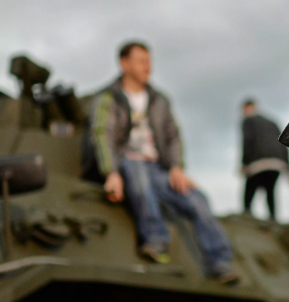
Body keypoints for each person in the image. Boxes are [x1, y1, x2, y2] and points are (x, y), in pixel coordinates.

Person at [91, 41, 238, 283]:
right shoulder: (109, 98)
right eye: (141, 61)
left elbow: (172, 135)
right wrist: (111, 172)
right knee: (139, 180)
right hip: (126, 162)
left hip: (157, 168)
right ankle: (156, 240)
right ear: (124, 64)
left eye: (149, 61)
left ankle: (220, 261)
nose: (147, 66)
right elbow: (102, 134)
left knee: (196, 199)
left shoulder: (159, 99)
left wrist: (176, 167)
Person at [240, 99, 289, 221]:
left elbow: (247, 141)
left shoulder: (248, 121)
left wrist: (244, 163)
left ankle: (246, 215)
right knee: (270, 191)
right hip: (277, 163)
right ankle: (273, 218)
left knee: (249, 189)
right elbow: (284, 144)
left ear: (247, 108)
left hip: (257, 163)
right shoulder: (272, 122)